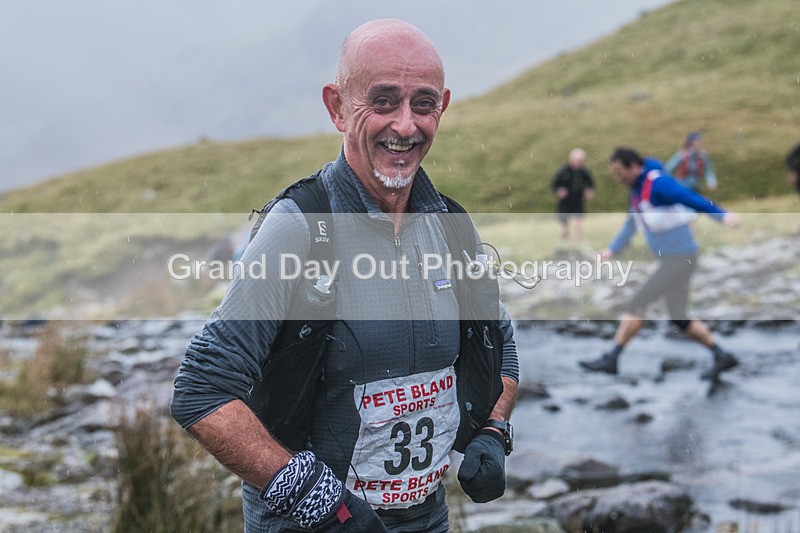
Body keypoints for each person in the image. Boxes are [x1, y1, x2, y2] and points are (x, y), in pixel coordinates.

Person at [170, 19, 519, 533]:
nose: (405, 126)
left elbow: (501, 345)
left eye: (422, 104)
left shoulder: (451, 226)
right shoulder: (301, 227)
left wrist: (493, 429)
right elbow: (201, 391)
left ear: (441, 106)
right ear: (337, 107)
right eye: (382, 102)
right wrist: (320, 503)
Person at [579, 147, 740, 382]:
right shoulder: (636, 190)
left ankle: (612, 358)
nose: (617, 177)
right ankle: (721, 355)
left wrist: (721, 215)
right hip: (674, 259)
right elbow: (631, 224)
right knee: (678, 316)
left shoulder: (657, 183)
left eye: (619, 172)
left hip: (681, 258)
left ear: (633, 166)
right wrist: (611, 250)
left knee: (638, 302)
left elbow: (689, 197)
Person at [551, 147, 595, 246]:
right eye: (577, 160)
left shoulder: (584, 172)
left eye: (581, 161)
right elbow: (554, 185)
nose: (578, 163)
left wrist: (589, 191)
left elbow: (591, 184)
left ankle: (577, 244)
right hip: (565, 202)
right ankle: (564, 244)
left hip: (578, 201)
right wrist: (559, 191)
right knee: (564, 226)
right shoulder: (563, 171)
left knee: (578, 224)